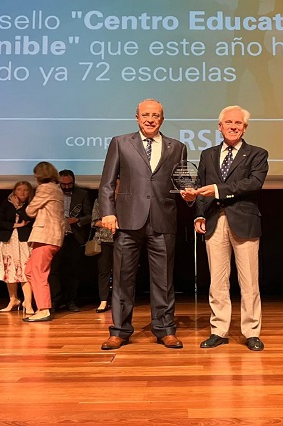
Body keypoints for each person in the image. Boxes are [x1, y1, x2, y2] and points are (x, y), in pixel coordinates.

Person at [98, 99, 187, 350]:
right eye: (145, 115)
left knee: (164, 280)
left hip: (163, 220)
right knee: (123, 279)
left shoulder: (177, 147)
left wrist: (189, 194)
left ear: (162, 119)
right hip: (127, 221)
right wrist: (108, 212)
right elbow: (107, 183)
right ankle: (119, 331)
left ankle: (165, 329)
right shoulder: (120, 142)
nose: (150, 119)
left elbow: (181, 183)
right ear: (137, 117)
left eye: (155, 115)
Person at [183, 105, 269, 351]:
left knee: (249, 281)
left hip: (244, 221)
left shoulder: (257, 154)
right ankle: (219, 330)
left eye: (238, 123)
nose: (233, 126)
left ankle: (251, 332)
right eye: (229, 122)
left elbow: (254, 183)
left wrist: (218, 190)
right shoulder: (208, 154)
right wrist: (199, 214)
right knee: (217, 281)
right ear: (220, 127)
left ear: (245, 128)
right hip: (213, 220)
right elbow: (201, 186)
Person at [23, 161, 65, 322]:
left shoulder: (45, 188)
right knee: (29, 271)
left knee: (38, 273)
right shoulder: (57, 188)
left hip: (45, 236)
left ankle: (44, 309)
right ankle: (41, 306)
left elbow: (30, 210)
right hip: (52, 236)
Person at [49, 169, 92, 312]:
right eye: (64, 184)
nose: (67, 187)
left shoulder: (82, 194)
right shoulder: (53, 194)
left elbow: (89, 216)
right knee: (54, 270)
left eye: (70, 184)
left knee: (73, 271)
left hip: (74, 237)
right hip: (55, 236)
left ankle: (71, 300)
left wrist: (78, 220)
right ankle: (56, 300)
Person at [0, 181, 35, 314]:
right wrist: (16, 225)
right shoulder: (6, 203)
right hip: (8, 241)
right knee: (10, 269)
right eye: (19, 189)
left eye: (25, 190)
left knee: (25, 270)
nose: (22, 192)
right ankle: (13, 299)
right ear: (14, 191)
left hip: (24, 241)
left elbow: (28, 218)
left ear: (29, 192)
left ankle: (28, 302)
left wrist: (17, 207)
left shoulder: (32, 205)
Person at [90, 180, 120, 313]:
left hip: (122, 240)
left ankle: (119, 300)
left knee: (122, 271)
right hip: (104, 239)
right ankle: (103, 301)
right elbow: (95, 221)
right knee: (104, 271)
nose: (116, 189)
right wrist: (110, 223)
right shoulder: (100, 201)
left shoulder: (127, 201)